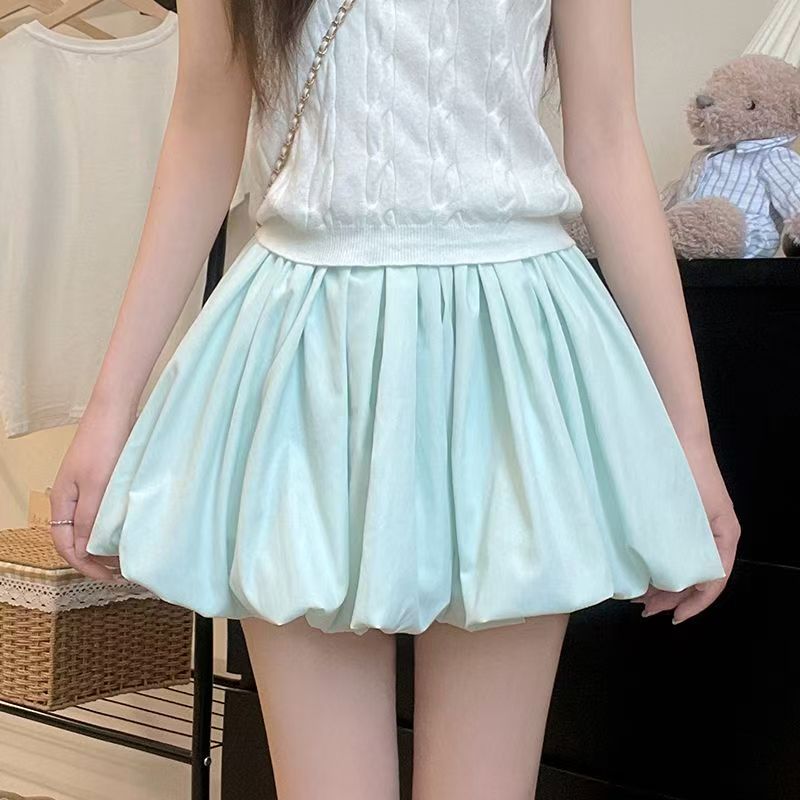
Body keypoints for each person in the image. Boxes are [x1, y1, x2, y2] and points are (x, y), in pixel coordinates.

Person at [49, 1, 741, 798]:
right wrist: (110, 409)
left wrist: (689, 441)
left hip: (505, 358)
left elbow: (608, 139)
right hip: (305, 356)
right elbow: (205, 128)